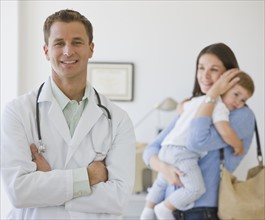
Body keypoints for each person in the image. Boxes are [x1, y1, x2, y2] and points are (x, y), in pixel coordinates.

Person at [1, 9, 136, 220]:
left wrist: (47, 184)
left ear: (91, 49)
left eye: (77, 42)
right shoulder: (17, 112)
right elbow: (19, 192)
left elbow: (118, 198)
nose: (67, 51)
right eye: (58, 43)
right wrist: (88, 177)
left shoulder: (117, 120)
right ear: (46, 51)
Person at [142, 43, 255, 220]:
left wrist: (213, 94)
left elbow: (195, 141)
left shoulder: (241, 114)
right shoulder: (195, 106)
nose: (205, 76)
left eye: (214, 69)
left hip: (202, 211)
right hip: (168, 209)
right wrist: (166, 169)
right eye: (201, 68)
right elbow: (152, 149)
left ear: (230, 76)